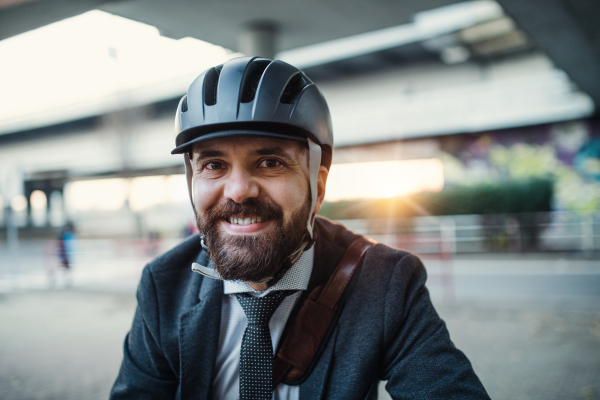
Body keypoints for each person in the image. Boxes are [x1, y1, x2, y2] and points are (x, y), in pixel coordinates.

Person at [111, 57, 489, 400]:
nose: (239, 190)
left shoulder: (387, 284)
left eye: (271, 162)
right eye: (213, 165)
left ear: (318, 186)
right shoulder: (164, 286)